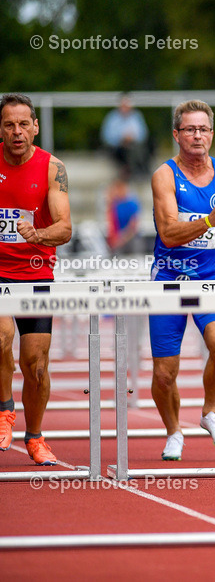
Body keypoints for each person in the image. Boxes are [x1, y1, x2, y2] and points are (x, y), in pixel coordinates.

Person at [149, 100, 215, 460]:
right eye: (190, 129)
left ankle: (209, 411)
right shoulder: (164, 175)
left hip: (211, 278)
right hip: (169, 279)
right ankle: (173, 431)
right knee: (164, 374)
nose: (197, 135)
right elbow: (169, 233)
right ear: (177, 135)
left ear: (212, 134)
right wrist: (208, 221)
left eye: (203, 129)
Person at [0, 93, 73, 465]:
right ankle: (4, 410)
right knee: (1, 337)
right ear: (1, 129)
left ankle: (35, 436)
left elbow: (65, 228)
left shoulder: (52, 168)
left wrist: (37, 235)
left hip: (35, 271)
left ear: (36, 127)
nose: (17, 132)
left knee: (36, 366)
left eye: (23, 124)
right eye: (9, 124)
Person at [100, 93, 149, 179]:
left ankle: (135, 172)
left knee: (138, 149)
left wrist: (131, 138)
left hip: (134, 145)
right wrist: (121, 139)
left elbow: (143, 134)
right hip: (118, 147)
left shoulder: (136, 116)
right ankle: (134, 172)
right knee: (129, 151)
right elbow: (107, 136)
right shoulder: (112, 117)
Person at [106, 179, 141, 254]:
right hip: (118, 239)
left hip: (129, 239)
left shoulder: (132, 204)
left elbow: (133, 226)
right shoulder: (115, 204)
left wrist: (122, 239)